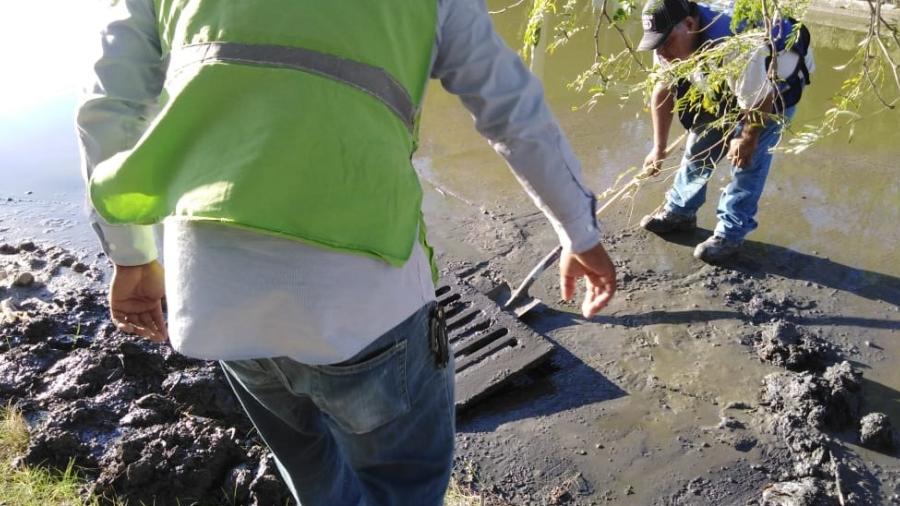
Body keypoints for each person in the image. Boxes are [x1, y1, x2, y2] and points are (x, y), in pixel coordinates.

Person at [76, 0, 617, 504]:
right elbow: (510, 108)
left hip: (214, 293)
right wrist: (578, 232)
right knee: (404, 482)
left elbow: (107, 108)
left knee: (311, 470)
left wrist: (129, 255)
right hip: (364, 303)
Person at [636, 0, 814, 262]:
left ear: (689, 24)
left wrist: (746, 138)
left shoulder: (736, 46)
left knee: (747, 162)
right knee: (700, 144)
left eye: (667, 42)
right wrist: (658, 148)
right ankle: (681, 212)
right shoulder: (667, 40)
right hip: (731, 80)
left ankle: (730, 233)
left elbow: (759, 100)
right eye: (657, 43)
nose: (662, 51)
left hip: (775, 87)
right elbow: (664, 91)